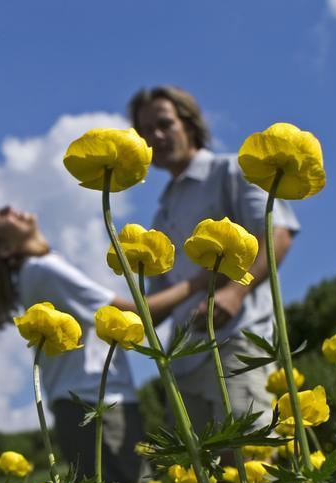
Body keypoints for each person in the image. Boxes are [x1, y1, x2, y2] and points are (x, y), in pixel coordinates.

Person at [0, 206, 208, 483]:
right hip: (97, 398)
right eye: (1, 216)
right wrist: (200, 282)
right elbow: (132, 314)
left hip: (78, 400)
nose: (10, 209)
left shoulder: (36, 271)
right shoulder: (43, 269)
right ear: (5, 247)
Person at [128, 85, 300, 427]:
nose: (156, 136)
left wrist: (234, 292)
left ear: (189, 125)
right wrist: (117, 320)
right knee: (199, 477)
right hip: (184, 360)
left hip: (237, 341)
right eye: (146, 131)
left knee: (250, 461)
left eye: (165, 124)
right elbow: (160, 298)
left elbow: (277, 235)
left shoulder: (231, 170)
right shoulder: (162, 212)